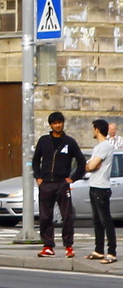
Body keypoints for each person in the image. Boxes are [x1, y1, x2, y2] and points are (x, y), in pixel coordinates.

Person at [31, 110, 85, 257]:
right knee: (45, 216)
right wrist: (38, 177)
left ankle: (68, 246)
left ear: (63, 123)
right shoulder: (44, 141)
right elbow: (36, 160)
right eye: (55, 123)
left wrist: (73, 178)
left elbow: (81, 162)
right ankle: (48, 246)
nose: (58, 125)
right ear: (50, 125)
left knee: (67, 216)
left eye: (60, 123)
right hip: (46, 183)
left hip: (62, 183)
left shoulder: (69, 142)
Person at [85, 118, 117, 262]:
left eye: (93, 129)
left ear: (97, 129)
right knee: (97, 221)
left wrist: (91, 165)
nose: (92, 131)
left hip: (101, 188)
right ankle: (99, 250)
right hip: (93, 186)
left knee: (106, 221)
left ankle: (111, 252)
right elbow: (90, 165)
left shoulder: (105, 146)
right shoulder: (97, 147)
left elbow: (91, 166)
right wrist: (91, 165)